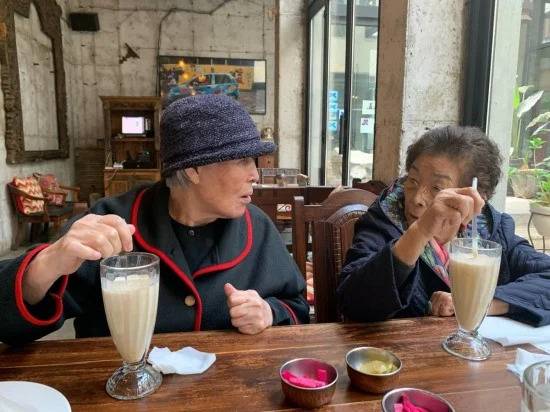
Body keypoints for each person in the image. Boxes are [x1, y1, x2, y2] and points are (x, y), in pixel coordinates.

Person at [0, 94, 309, 345]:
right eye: (242, 160)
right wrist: (47, 262)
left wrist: (269, 312)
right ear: (193, 170)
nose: (255, 174)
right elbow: (7, 324)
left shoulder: (258, 228)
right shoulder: (110, 223)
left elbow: (296, 307)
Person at [337, 126, 550, 327]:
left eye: (437, 188)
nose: (417, 199)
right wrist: (420, 232)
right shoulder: (385, 219)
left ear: (474, 196)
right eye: (412, 180)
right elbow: (353, 303)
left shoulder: (491, 229)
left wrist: (481, 304)